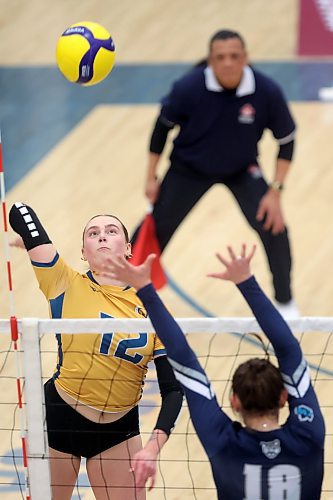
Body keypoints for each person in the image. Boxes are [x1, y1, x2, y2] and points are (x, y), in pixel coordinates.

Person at [104, 245, 325, 499]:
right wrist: (247, 282)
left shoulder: (222, 441)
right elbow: (289, 350)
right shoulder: (308, 435)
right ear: (284, 398)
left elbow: (183, 359)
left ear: (235, 402)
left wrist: (145, 289)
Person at [9, 201, 183, 500]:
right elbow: (19, 211)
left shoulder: (152, 308)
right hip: (61, 419)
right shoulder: (63, 281)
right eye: (93, 233)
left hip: (119, 432)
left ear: (128, 248)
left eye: (111, 230)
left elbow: (173, 389)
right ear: (83, 252)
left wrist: (153, 448)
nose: (102, 236)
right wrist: (37, 245)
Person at [131, 29, 299, 318]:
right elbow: (161, 128)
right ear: (210, 61)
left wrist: (276, 193)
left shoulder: (266, 91)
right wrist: (151, 177)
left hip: (242, 169)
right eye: (220, 57)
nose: (228, 63)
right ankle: (119, 295)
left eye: (235, 56)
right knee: (153, 230)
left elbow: (287, 140)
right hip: (189, 168)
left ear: (246, 58)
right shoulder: (188, 87)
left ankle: (284, 302)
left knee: (275, 227)